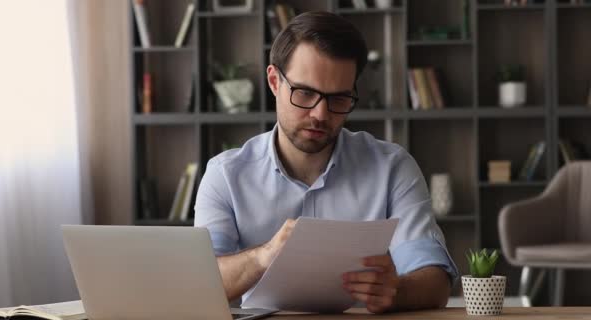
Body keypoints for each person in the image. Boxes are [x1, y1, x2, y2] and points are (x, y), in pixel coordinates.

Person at [194, 11, 457, 314]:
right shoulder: (224, 175)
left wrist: (397, 290)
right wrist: (264, 256)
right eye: (305, 93)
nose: (320, 114)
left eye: (339, 98)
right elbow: (202, 283)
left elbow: (435, 281)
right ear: (274, 81)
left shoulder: (392, 167)